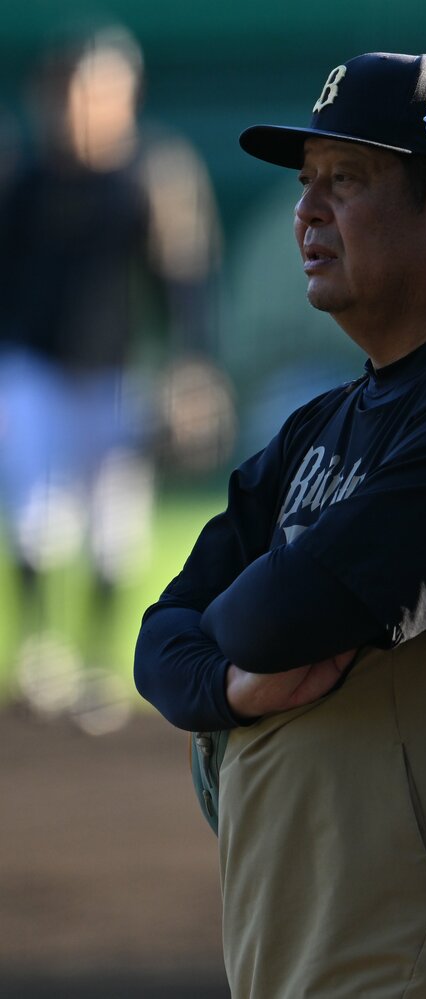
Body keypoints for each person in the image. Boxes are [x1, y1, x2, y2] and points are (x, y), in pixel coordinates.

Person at [134, 52, 426, 997]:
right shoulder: (324, 422)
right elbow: (161, 635)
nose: (306, 212)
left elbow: (273, 618)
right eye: (307, 182)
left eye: (346, 180)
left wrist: (223, 657)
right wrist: (223, 684)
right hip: (312, 961)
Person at [0, 25, 220, 719]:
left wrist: (190, 364)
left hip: (118, 373)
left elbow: (182, 279)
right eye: (66, 92)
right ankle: (40, 654)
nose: (77, 107)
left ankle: (97, 663)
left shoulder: (147, 177)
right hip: (34, 365)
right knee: (36, 519)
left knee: (111, 530)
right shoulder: (24, 180)